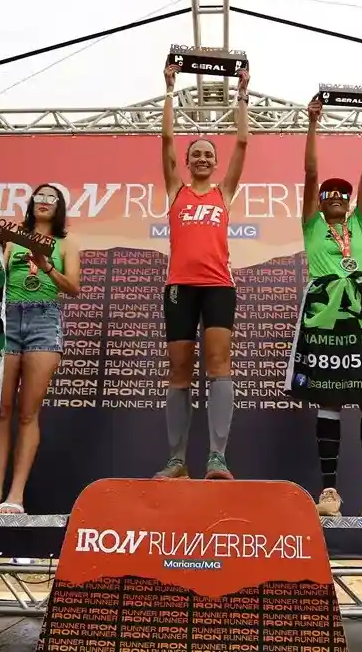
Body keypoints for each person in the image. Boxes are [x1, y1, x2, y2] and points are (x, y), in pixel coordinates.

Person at [288, 95, 362, 518]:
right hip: (327, 311)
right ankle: (328, 493)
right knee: (331, 398)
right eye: (330, 194)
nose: (338, 196)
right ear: (320, 203)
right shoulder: (311, 225)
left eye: (344, 193)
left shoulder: (359, 222)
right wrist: (312, 122)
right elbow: (310, 173)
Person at [154, 62, 250, 481]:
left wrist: (242, 94)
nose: (203, 158)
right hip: (180, 286)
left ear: (215, 162)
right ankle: (177, 460)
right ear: (187, 161)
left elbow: (242, 142)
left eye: (209, 154)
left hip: (218, 287)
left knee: (218, 364)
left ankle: (217, 457)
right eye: (196, 154)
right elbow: (166, 139)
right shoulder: (175, 190)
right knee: (179, 370)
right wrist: (169, 90)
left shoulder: (223, 193)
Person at [0, 184, 81, 514]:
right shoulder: (14, 237)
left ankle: (15, 496)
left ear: (59, 207)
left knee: (28, 412)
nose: (43, 202)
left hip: (44, 318)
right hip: (8, 316)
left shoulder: (66, 243)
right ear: (31, 203)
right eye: (39, 197)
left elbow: (73, 287)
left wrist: (45, 265)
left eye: (51, 198)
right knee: (1, 410)